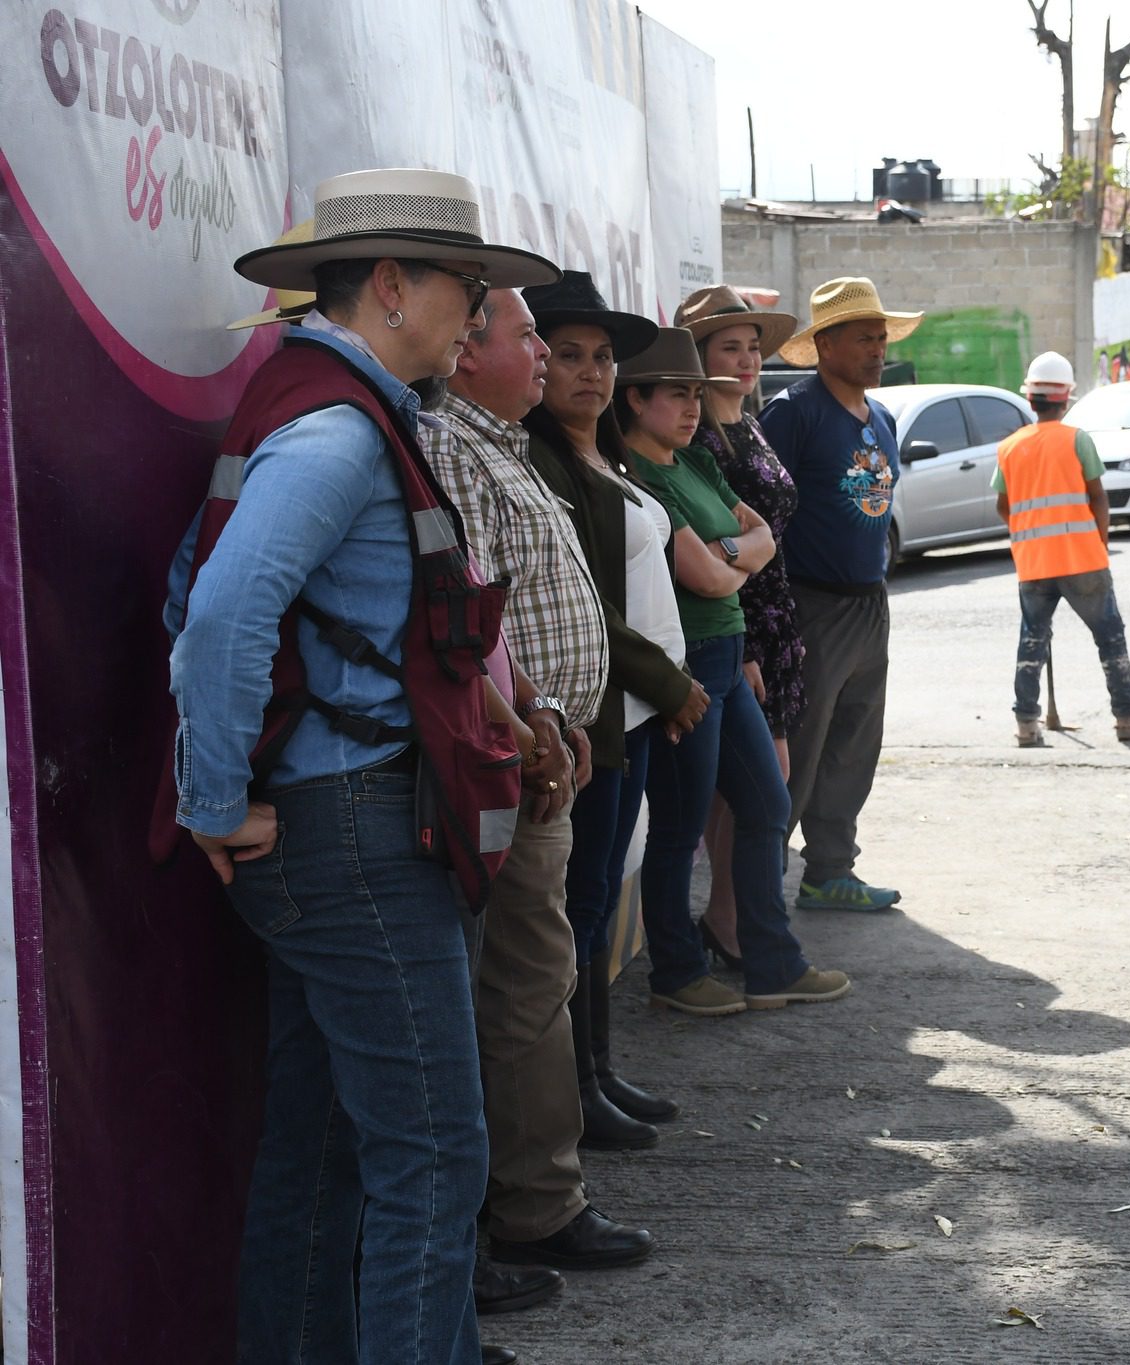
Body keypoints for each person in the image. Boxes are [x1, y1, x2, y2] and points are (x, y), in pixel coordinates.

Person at [164, 168, 557, 1365]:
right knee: (435, 1158)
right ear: (391, 286)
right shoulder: (339, 432)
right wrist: (213, 804)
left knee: (328, 1148)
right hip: (352, 832)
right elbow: (222, 618)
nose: (480, 312)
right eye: (468, 287)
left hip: (336, 826)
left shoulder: (337, 411)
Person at [421, 285, 665, 1294]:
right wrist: (525, 727)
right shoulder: (449, 448)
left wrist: (549, 717)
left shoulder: (499, 447)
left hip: (542, 748)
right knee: (521, 991)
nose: (547, 357)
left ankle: (534, 1198)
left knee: (540, 982)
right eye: (533, 339)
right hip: (506, 764)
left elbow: (504, 619)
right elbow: (464, 620)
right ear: (469, 349)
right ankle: (529, 1209)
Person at [517, 273, 709, 1156]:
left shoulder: (609, 458)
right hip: (591, 712)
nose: (590, 373)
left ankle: (595, 1069)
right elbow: (590, 604)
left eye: (602, 357)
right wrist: (670, 684)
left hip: (624, 713)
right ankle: (574, 1090)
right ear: (534, 361)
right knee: (578, 906)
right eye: (568, 355)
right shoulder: (541, 457)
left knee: (591, 901)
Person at [616, 329, 850, 1011]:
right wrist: (737, 554)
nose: (692, 408)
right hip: (685, 666)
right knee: (680, 829)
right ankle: (678, 974)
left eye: (696, 394)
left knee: (768, 802)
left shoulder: (693, 462)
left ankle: (772, 960)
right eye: (676, 394)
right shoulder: (643, 477)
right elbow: (714, 579)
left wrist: (733, 557)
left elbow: (763, 538)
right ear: (636, 399)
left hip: (728, 654)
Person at [760, 277, 923, 913]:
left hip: (869, 603)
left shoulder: (881, 418)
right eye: (864, 338)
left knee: (854, 745)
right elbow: (764, 511)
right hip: (811, 606)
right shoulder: (793, 413)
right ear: (825, 345)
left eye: (882, 338)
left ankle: (830, 871)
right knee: (798, 748)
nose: (878, 349)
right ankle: (759, 885)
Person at [676, 285, 804, 967]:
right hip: (738, 624)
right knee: (757, 785)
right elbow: (711, 542)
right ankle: (728, 922)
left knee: (753, 790)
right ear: (698, 355)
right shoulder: (698, 435)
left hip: (775, 618)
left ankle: (727, 919)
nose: (749, 358)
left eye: (754, 347)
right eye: (731, 347)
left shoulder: (747, 421)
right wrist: (749, 645)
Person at [992, 350, 1130, 747]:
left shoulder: (1010, 447)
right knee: (1110, 638)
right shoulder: (1076, 440)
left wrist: (1029, 533)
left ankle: (1026, 726)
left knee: (1032, 640)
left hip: (1033, 564)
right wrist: (1099, 543)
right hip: (1081, 558)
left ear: (1031, 399)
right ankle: (1127, 718)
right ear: (1066, 398)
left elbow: (1004, 505)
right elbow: (1098, 497)